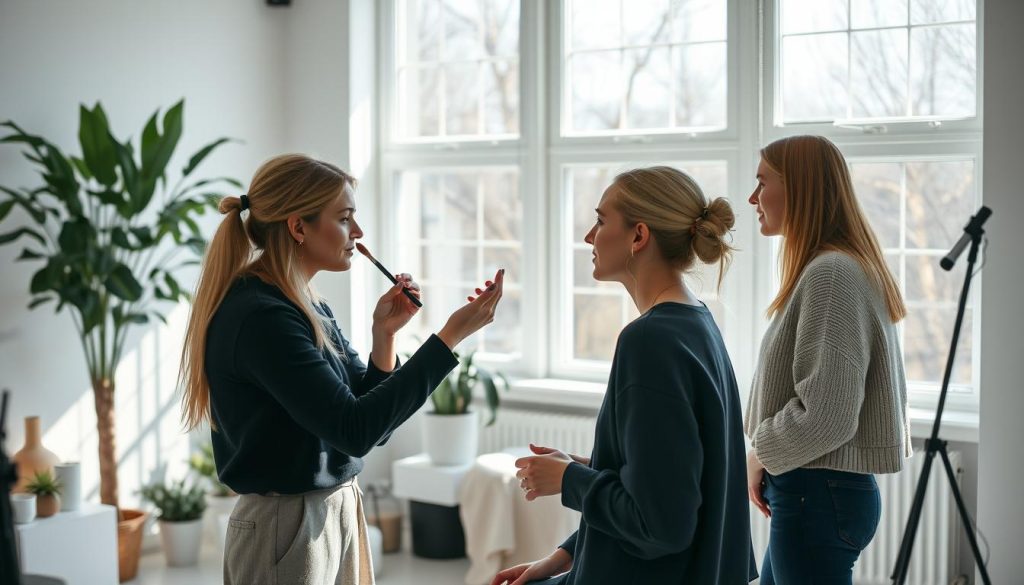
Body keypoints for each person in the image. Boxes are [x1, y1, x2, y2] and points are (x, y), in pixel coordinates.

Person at [178, 154, 504, 585]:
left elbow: (373, 423)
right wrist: (447, 340)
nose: (358, 233)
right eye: (345, 218)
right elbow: (354, 431)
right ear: (298, 227)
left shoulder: (303, 303)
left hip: (333, 509)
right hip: (287, 525)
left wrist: (383, 336)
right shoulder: (261, 317)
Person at [493, 166, 757, 585]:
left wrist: (570, 480)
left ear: (639, 236)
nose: (588, 237)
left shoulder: (650, 342)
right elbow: (660, 481)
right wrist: (566, 556)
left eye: (600, 221)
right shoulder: (697, 323)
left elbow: (661, 526)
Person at [745, 135, 911, 584]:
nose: (752, 197)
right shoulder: (834, 267)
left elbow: (827, 417)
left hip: (816, 493)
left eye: (763, 182)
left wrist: (760, 451)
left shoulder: (832, 273)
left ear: (799, 187)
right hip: (815, 493)